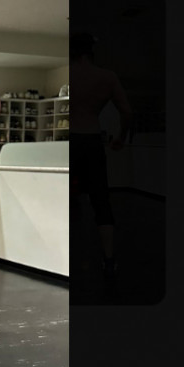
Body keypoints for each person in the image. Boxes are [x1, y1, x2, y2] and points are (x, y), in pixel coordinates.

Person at [68, 32, 132, 280]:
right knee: (101, 200)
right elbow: (127, 112)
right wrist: (121, 138)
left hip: (71, 141)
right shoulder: (107, 77)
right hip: (91, 140)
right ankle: (109, 259)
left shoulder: (69, 75)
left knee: (65, 198)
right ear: (91, 52)